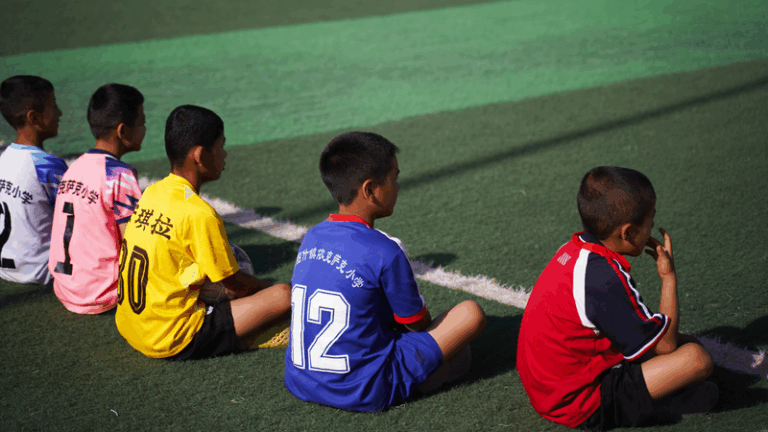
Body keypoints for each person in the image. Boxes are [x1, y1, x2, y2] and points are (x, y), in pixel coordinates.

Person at [284, 131, 486, 412]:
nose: (398, 186)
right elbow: (416, 323)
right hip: (365, 389)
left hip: (300, 380)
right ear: (370, 189)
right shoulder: (384, 250)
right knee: (469, 316)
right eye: (394, 177)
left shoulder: (312, 237)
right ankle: (422, 381)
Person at [516, 166, 717, 431]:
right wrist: (668, 278)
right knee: (696, 359)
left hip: (546, 389)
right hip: (579, 404)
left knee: (687, 344)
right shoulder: (604, 277)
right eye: (650, 220)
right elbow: (666, 345)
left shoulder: (574, 249)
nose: (653, 227)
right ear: (629, 233)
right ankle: (656, 408)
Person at [115, 105, 291, 360]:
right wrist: (267, 288)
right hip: (170, 337)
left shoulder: (152, 193)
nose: (225, 154)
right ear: (199, 155)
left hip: (131, 326)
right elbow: (235, 285)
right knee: (283, 296)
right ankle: (249, 335)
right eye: (220, 146)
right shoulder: (199, 213)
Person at [49, 84, 145, 313]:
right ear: (123, 131)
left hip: (66, 290)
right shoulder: (119, 174)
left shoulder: (75, 168)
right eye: (142, 122)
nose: (145, 128)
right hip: (105, 295)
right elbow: (136, 243)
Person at [0, 75, 67, 285]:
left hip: (6, 269)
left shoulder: (3, 158)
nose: (59, 113)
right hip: (43, 273)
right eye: (53, 106)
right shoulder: (47, 165)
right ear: (34, 118)